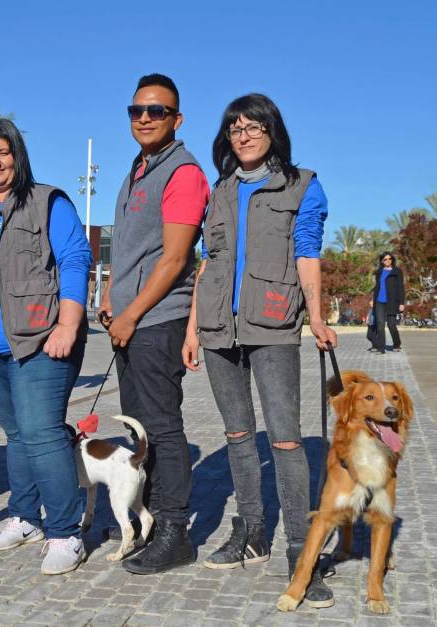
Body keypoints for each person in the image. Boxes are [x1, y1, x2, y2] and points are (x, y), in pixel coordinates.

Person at [182, 93, 337, 607]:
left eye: (253, 127)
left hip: (272, 324)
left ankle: (300, 551)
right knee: (237, 433)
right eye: (234, 129)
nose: (243, 136)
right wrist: (191, 330)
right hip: (217, 328)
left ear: (273, 131)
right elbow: (207, 261)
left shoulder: (301, 185)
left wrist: (316, 316)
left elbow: (308, 252)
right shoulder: (221, 190)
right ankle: (251, 532)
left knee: (287, 441)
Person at [0, 119, 92, 575]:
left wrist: (68, 323)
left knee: (41, 432)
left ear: (18, 157)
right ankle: (26, 517)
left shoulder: (48, 202)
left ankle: (66, 532)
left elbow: (75, 258)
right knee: (17, 436)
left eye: (3, 153)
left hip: (40, 342)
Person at [97, 73, 209, 575]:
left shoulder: (181, 172)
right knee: (140, 430)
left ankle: (174, 531)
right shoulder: (137, 170)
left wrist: (132, 312)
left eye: (157, 111)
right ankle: (149, 525)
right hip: (131, 320)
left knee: (162, 428)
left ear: (176, 119)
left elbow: (175, 257)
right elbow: (129, 250)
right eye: (137, 110)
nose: (145, 118)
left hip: (157, 320)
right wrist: (109, 294)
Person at [370, 252, 405, 353]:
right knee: (380, 324)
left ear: (392, 260)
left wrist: (402, 303)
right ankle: (381, 348)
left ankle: (397, 344)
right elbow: (377, 287)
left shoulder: (397, 271)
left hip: (392, 302)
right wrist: (372, 299)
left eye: (390, 259)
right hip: (379, 301)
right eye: (385, 259)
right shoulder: (379, 272)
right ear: (382, 261)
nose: (388, 261)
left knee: (391, 325)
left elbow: (400, 287)